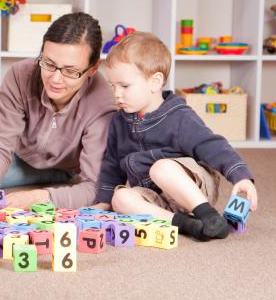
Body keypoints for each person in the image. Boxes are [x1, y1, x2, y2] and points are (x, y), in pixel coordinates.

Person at [97, 31, 258, 241]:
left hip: (193, 189)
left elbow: (211, 145)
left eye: (124, 86)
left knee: (161, 168)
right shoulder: (119, 121)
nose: (116, 94)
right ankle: (186, 225)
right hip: (156, 197)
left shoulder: (179, 117)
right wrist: (104, 202)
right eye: (113, 86)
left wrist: (241, 175)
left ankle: (208, 216)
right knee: (121, 199)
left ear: (155, 82)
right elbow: (111, 164)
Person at [0, 12, 116, 210]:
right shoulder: (21, 74)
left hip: (52, 166)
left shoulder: (103, 106)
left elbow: (94, 188)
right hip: (12, 122)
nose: (55, 79)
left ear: (93, 68)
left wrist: (42, 196)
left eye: (71, 71)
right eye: (48, 63)